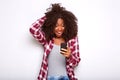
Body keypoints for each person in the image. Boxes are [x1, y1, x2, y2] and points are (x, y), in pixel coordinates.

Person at [29, 3, 81, 80]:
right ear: (51, 25)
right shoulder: (47, 40)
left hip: (65, 78)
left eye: (62, 25)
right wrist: (50, 16)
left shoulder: (72, 39)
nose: (59, 28)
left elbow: (76, 62)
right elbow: (33, 29)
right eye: (56, 25)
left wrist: (70, 56)